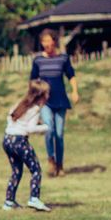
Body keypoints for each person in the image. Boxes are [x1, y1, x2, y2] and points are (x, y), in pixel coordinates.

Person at [30, 30, 79, 176]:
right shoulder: (38, 60)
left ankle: (60, 164)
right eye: (43, 41)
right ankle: (51, 159)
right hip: (45, 101)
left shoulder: (63, 58)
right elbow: (33, 80)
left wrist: (75, 91)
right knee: (49, 129)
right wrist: (32, 99)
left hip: (61, 100)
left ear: (54, 42)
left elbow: (71, 75)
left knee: (59, 134)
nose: (46, 44)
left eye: (48, 41)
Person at [3, 79, 52, 212]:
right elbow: (30, 128)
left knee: (16, 171)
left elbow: (11, 118)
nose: (48, 96)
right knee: (36, 170)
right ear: (41, 95)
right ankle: (34, 199)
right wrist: (46, 127)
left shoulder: (19, 104)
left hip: (7, 140)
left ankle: (9, 202)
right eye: (47, 94)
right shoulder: (35, 109)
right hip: (19, 142)